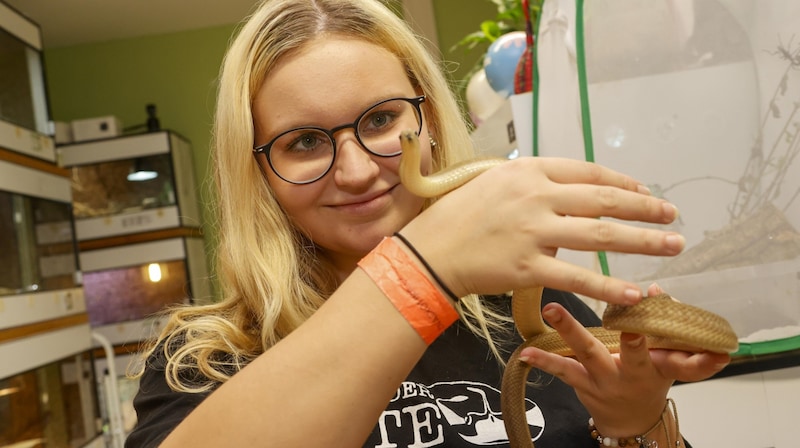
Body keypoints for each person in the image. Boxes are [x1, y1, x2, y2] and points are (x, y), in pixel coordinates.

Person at [125, 0, 731, 446]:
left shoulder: (544, 310)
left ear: (430, 121)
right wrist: (423, 265)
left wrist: (635, 422)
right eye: (305, 141)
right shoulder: (200, 361)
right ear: (260, 171)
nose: (359, 172)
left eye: (382, 119)